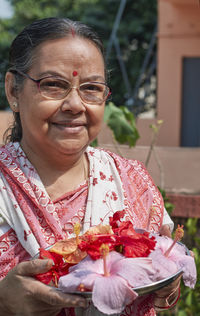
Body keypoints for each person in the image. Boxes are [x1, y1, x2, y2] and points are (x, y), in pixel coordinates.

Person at [0, 17, 180, 316]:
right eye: (53, 85)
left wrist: (164, 285)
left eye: (91, 88)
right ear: (13, 91)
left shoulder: (132, 181)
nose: (75, 104)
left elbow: (162, 267)